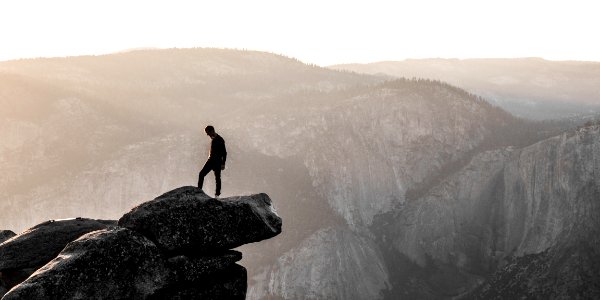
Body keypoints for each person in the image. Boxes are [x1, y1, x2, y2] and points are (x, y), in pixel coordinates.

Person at [198, 125, 227, 197]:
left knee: (217, 178)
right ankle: (199, 191)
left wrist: (223, 163)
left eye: (207, 133)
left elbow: (224, 152)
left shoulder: (220, 139)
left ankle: (217, 195)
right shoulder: (213, 138)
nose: (207, 134)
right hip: (210, 160)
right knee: (201, 174)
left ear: (211, 131)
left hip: (217, 162)